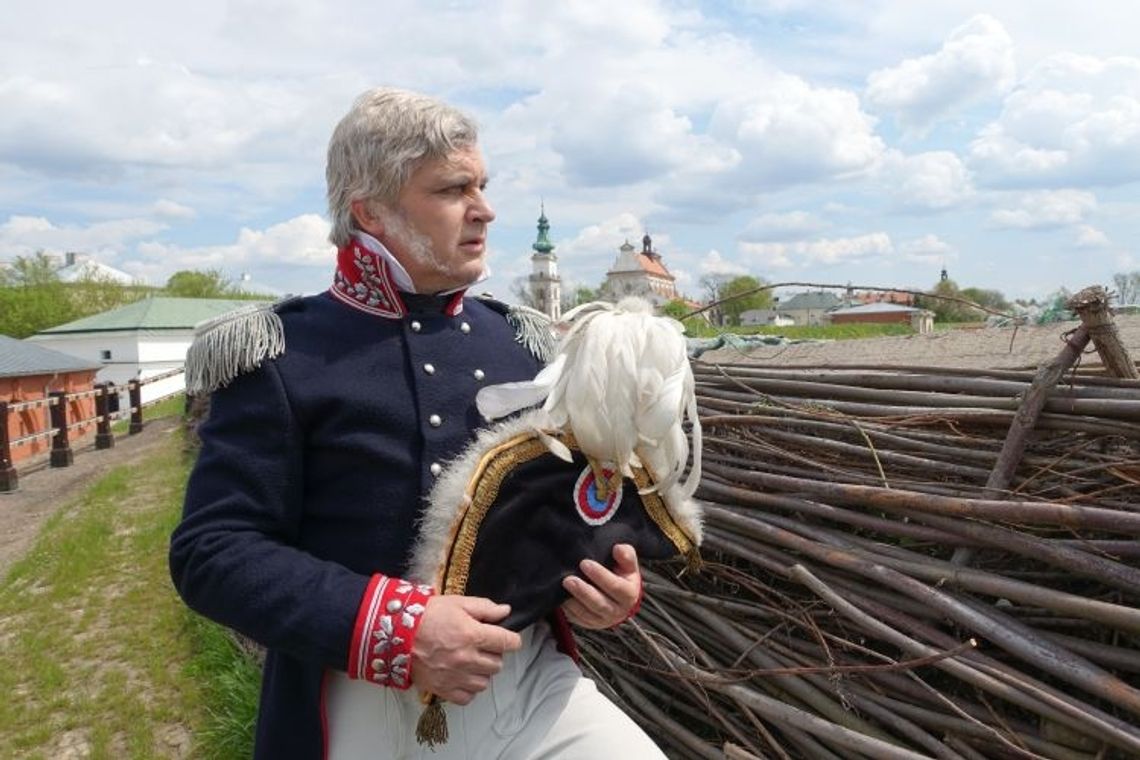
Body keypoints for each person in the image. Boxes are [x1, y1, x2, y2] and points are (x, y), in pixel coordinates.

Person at [169, 87, 666, 759]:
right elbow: (211, 552)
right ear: (369, 210)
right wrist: (398, 630)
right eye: (452, 190)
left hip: (532, 682)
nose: (485, 209)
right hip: (363, 699)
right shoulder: (281, 356)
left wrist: (602, 583)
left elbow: (558, 511)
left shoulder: (519, 341)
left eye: (482, 185)